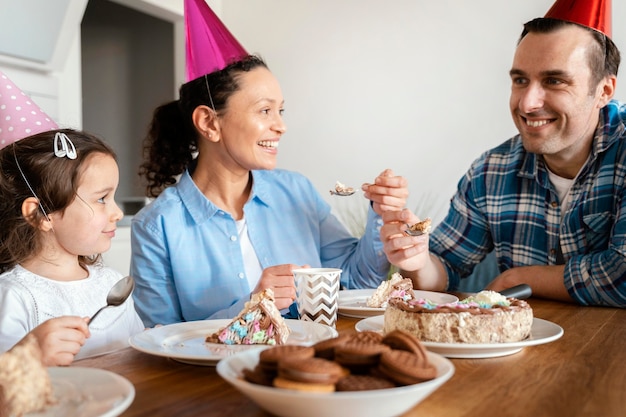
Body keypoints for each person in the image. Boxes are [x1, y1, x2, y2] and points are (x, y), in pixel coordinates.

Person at [130, 0, 408, 327]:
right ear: (209, 123)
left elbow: (355, 281)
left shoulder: (296, 191)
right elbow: (160, 340)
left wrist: (380, 215)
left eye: (281, 111)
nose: (281, 126)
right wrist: (250, 307)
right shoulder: (156, 227)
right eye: (265, 111)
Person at [381, 2, 626, 308]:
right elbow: (445, 269)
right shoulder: (491, 172)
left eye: (554, 81)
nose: (527, 103)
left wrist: (518, 279)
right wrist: (417, 259)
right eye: (520, 80)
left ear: (604, 91)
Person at [0, 129, 145, 366]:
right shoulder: (13, 297)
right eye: (101, 199)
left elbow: (137, 350)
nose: (117, 213)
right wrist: (29, 355)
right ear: (40, 214)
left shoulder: (111, 283)